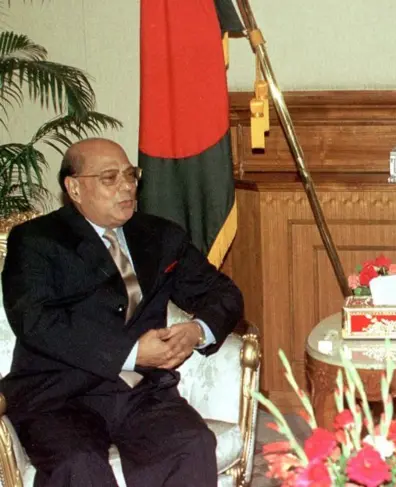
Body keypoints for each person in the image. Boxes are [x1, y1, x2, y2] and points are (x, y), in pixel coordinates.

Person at [0, 138, 244, 487]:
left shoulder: (160, 235)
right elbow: (35, 321)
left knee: (191, 445)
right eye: (109, 178)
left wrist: (197, 331)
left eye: (130, 175)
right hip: (59, 397)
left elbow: (223, 292)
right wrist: (130, 353)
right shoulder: (37, 240)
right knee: (80, 465)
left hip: (142, 393)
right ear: (74, 188)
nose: (127, 186)